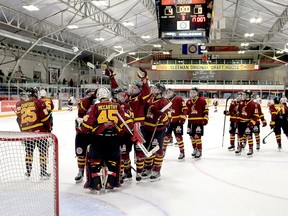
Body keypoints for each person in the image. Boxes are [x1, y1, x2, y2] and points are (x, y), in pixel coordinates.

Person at [77, 87, 132, 193]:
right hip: (114, 139)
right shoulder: (117, 106)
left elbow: (87, 125)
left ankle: (96, 184)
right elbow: (127, 121)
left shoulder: (95, 107)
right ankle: (110, 183)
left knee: (95, 162)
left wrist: (80, 128)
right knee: (113, 162)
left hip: (99, 139)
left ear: (98, 97)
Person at [17, 87, 52, 178]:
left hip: (27, 133)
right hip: (39, 131)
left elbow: (19, 119)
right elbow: (45, 118)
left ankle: (28, 172)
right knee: (43, 152)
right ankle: (43, 172)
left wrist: (23, 131)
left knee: (28, 152)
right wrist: (48, 129)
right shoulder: (39, 102)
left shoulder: (22, 104)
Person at [141, 82, 170, 181]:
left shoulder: (164, 102)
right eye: (153, 88)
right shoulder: (150, 99)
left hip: (158, 130)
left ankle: (157, 170)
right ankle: (148, 168)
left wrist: (160, 115)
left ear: (161, 91)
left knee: (157, 150)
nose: (153, 90)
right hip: (147, 129)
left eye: (155, 89)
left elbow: (168, 119)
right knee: (148, 149)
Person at [74, 88, 97, 183]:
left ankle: (92, 172)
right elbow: (82, 110)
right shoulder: (83, 103)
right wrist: (91, 96)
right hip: (82, 133)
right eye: (89, 95)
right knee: (80, 153)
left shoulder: (97, 105)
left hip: (93, 133)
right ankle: (80, 171)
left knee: (94, 154)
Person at [111, 88, 134, 183]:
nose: (123, 97)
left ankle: (126, 172)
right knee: (117, 154)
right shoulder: (110, 106)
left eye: (123, 95)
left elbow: (130, 120)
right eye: (120, 95)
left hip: (125, 135)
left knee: (125, 155)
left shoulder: (126, 106)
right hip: (115, 135)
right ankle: (119, 172)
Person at [163, 88, 187, 161]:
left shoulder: (178, 99)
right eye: (167, 92)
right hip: (168, 122)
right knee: (166, 137)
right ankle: (163, 151)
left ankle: (182, 152)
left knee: (178, 137)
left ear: (173, 92)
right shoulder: (165, 100)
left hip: (177, 122)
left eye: (170, 92)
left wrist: (182, 117)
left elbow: (185, 109)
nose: (168, 93)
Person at [186, 87, 209, 159]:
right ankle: (195, 149)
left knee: (197, 137)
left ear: (197, 93)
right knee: (191, 137)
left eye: (194, 92)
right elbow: (186, 111)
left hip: (198, 122)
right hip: (190, 121)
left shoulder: (202, 100)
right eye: (191, 92)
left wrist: (205, 118)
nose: (192, 94)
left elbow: (206, 110)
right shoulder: (188, 101)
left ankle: (199, 150)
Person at [235, 90, 260, 157]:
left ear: (249, 95)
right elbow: (238, 112)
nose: (244, 96)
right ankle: (239, 147)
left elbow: (256, 115)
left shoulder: (253, 104)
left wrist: (252, 123)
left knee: (249, 136)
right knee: (239, 135)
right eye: (244, 94)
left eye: (245, 94)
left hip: (248, 122)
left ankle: (250, 149)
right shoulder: (241, 103)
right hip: (240, 122)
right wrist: (236, 112)